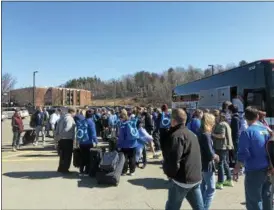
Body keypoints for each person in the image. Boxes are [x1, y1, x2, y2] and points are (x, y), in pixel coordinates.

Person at [164, 108, 204, 210]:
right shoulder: (192, 134)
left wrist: (170, 174)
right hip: (195, 177)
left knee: (171, 207)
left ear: (173, 120)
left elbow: (174, 160)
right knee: (199, 208)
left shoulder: (176, 136)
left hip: (182, 180)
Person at [233, 106, 272, 210]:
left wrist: (236, 169)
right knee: (267, 198)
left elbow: (243, 154)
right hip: (268, 169)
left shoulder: (247, 133)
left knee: (253, 201)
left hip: (254, 171)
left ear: (245, 117)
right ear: (257, 116)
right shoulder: (266, 130)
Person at [198, 113, 219, 210]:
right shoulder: (206, 135)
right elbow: (210, 153)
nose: (214, 123)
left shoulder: (200, 132)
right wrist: (216, 156)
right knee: (211, 188)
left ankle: (200, 206)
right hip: (206, 164)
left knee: (203, 187)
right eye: (213, 121)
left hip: (201, 163)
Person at [212, 111, 234, 189]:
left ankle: (220, 182)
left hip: (221, 147)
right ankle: (229, 179)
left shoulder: (221, 124)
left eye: (215, 116)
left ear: (219, 117)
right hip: (225, 146)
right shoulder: (226, 124)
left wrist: (213, 134)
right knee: (224, 163)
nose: (214, 118)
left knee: (220, 163)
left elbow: (222, 135)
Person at [117, 109, 138, 176]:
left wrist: (119, 145)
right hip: (133, 143)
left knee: (124, 158)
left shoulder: (123, 125)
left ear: (121, 117)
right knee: (132, 157)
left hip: (125, 144)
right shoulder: (132, 122)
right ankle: (132, 171)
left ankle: (124, 171)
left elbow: (121, 138)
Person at [55, 107, 76, 173]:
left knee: (62, 155)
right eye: (75, 113)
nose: (75, 114)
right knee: (67, 155)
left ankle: (60, 168)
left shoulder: (62, 118)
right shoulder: (69, 118)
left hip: (61, 139)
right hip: (67, 139)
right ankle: (65, 169)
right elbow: (68, 128)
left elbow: (57, 128)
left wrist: (57, 137)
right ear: (72, 112)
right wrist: (62, 135)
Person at [78, 110, 97, 175]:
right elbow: (93, 133)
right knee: (89, 157)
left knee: (82, 156)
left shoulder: (82, 121)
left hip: (81, 142)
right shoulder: (91, 122)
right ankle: (87, 171)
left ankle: (81, 170)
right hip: (88, 142)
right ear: (92, 115)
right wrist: (96, 141)